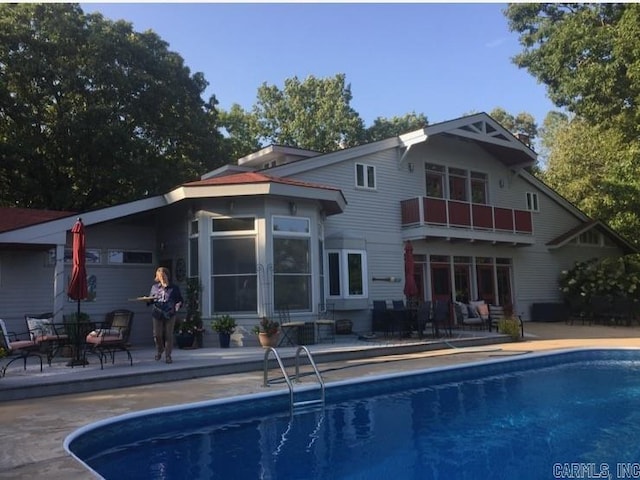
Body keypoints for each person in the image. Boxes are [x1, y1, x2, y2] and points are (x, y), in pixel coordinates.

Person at [149, 267, 183, 364]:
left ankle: (168, 356)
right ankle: (160, 349)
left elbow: (180, 300)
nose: (162, 278)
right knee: (157, 335)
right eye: (160, 276)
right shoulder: (155, 288)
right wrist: (148, 300)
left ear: (167, 276)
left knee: (168, 335)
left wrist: (178, 305)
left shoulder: (174, 288)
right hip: (157, 313)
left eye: (163, 276)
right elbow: (151, 300)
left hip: (170, 313)